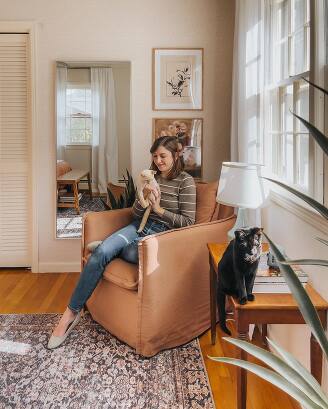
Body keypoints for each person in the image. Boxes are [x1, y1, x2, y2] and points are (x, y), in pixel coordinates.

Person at [48, 135, 197, 349]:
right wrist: (143, 198)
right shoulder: (151, 178)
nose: (158, 161)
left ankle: (109, 247)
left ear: (175, 154)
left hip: (161, 237)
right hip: (138, 227)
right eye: (155, 156)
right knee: (99, 254)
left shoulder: (186, 182)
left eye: (163, 156)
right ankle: (70, 314)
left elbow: (188, 222)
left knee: (130, 253)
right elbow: (135, 212)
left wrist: (159, 210)